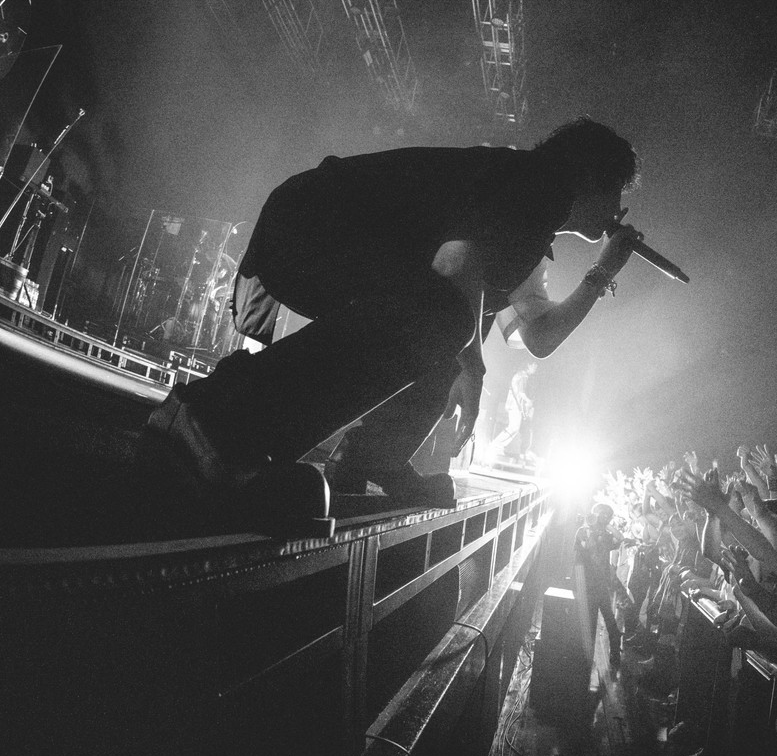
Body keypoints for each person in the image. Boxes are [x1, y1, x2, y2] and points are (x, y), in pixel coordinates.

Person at [136, 117, 641, 538]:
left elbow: (534, 334)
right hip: (316, 222)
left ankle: (371, 457)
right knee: (446, 324)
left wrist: (602, 270)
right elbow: (453, 264)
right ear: (589, 176)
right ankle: (214, 422)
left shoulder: (531, 204)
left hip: (315, 222)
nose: (617, 210)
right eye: (617, 190)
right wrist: (473, 367)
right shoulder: (537, 190)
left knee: (451, 326)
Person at [575, 502, 623, 666]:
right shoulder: (583, 531)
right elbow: (582, 551)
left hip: (600, 583)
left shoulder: (606, 535)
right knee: (587, 619)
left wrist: (606, 525)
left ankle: (615, 652)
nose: (601, 517)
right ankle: (584, 657)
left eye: (605, 515)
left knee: (609, 618)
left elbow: (620, 539)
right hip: (586, 582)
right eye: (598, 513)